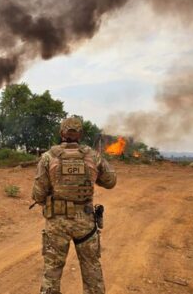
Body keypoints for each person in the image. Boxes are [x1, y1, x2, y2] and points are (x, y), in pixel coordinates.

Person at [32, 117, 117, 294]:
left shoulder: (48, 157)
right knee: (91, 269)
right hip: (85, 222)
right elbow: (110, 181)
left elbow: (38, 194)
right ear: (80, 134)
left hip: (56, 222)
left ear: (61, 133)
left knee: (52, 272)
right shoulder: (93, 156)